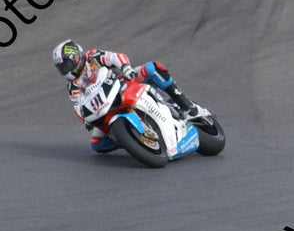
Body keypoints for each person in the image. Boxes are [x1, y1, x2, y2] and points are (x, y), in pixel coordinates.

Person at [52, 40, 199, 153]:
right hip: (106, 108)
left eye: (66, 65)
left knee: (151, 68)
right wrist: (85, 120)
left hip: (126, 83)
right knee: (97, 145)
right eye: (62, 68)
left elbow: (116, 57)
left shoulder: (93, 56)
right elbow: (78, 106)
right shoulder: (73, 85)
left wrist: (125, 67)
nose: (65, 70)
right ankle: (133, 138)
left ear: (76, 58)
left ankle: (186, 104)